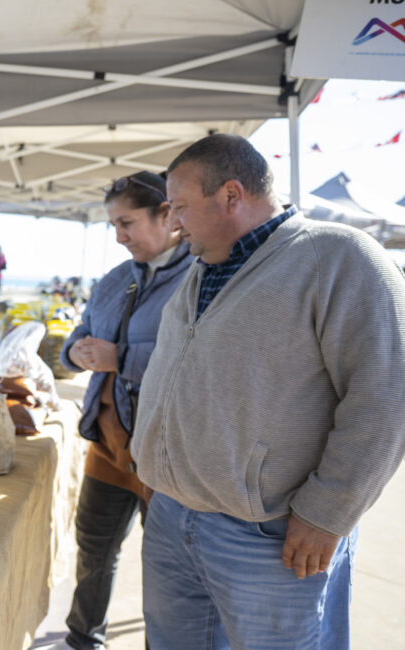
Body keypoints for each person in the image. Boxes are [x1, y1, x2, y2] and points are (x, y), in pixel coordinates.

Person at [131, 134, 405, 649]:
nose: (172, 223)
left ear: (232, 196)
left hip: (268, 539)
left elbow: (387, 393)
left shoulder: (338, 257)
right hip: (173, 517)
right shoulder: (203, 267)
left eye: (183, 207)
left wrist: (327, 514)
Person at [59, 171, 192, 650]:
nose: (119, 236)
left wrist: (122, 360)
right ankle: (83, 638)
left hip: (168, 458)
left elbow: (200, 362)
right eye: (113, 225)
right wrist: (74, 353)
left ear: (168, 215)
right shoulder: (114, 280)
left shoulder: (200, 277)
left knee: (168, 570)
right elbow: (78, 335)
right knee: (93, 547)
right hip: (110, 446)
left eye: (127, 222)